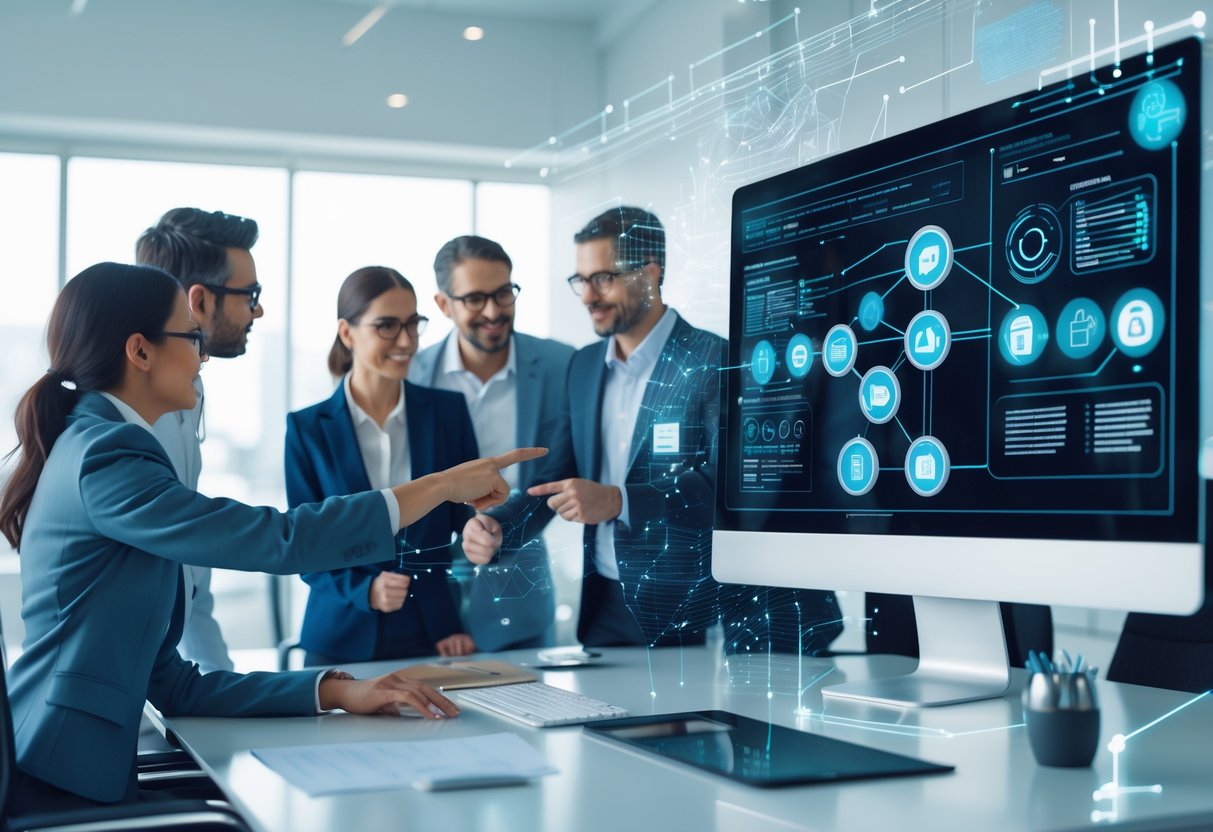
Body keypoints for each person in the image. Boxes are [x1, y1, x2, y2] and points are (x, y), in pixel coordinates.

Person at [0, 262, 543, 808]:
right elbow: (279, 539)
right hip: (60, 773)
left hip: (73, 763)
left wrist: (337, 690)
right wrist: (442, 485)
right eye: (192, 337)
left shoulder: (97, 443)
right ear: (139, 352)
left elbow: (175, 684)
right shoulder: (107, 454)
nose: (203, 355)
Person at [462, 207, 841, 652]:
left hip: (691, 609)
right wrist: (498, 527)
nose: (588, 296)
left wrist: (619, 501)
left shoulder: (717, 361)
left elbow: (730, 486)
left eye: (604, 278)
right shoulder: (582, 367)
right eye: (581, 280)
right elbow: (554, 479)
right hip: (607, 608)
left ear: (650, 274)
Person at [286, 267, 479, 664]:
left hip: (435, 635)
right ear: (347, 332)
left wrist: (482, 528)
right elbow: (303, 546)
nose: (407, 341)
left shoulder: (448, 413)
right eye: (387, 326)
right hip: (339, 638)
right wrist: (364, 591)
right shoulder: (307, 429)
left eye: (413, 324)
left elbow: (465, 516)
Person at [411, 235, 574, 649]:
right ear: (444, 304)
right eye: (475, 299)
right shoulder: (410, 374)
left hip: (520, 599)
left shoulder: (562, 365)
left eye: (504, 293)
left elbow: (562, 470)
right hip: (423, 602)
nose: (493, 311)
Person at [135, 207, 263, 673]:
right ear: (200, 301)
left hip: (173, 688)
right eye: (249, 294)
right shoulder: (126, 421)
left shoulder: (191, 392)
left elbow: (190, 583)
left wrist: (221, 689)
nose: (258, 309)